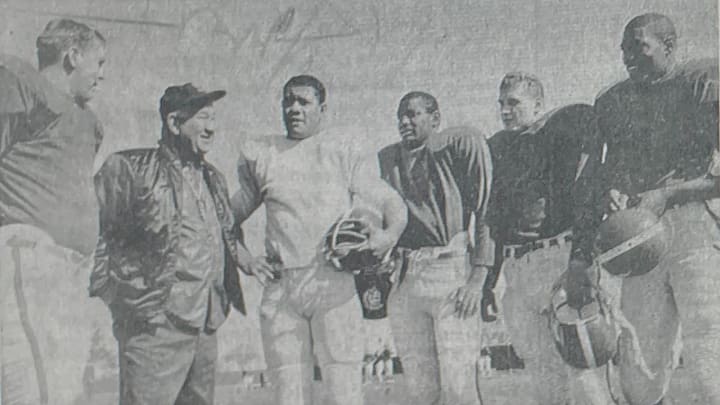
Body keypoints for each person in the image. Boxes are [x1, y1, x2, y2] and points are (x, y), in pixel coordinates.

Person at [565, 13, 720, 405]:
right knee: (638, 375)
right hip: (635, 238)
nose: (628, 55)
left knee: (710, 364)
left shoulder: (702, 81)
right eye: (623, 48)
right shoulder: (612, 101)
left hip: (695, 227)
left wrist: (670, 194)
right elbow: (593, 183)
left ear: (670, 47)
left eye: (639, 45)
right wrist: (580, 257)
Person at [231, 74, 407, 405]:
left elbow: (390, 202)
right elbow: (225, 220)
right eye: (288, 101)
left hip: (333, 282)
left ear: (322, 108)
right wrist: (246, 260)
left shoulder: (341, 148)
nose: (294, 108)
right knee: (289, 396)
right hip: (283, 286)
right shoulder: (264, 154)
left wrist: (389, 235)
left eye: (303, 101)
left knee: (344, 393)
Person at [90, 83, 246, 405]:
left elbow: (227, 234)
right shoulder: (131, 168)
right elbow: (94, 231)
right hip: (154, 324)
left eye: (214, 118)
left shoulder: (214, 178)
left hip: (206, 323)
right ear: (174, 123)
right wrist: (122, 300)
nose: (212, 127)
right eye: (203, 117)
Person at [482, 72, 617, 404]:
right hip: (516, 269)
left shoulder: (561, 132)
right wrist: (487, 280)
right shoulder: (497, 147)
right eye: (501, 103)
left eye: (514, 102)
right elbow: (493, 219)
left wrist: (581, 259)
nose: (505, 110)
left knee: (583, 371)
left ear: (539, 104)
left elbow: (586, 190)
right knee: (543, 379)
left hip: (557, 256)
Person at [0, 18, 107, 404]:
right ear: (72, 56)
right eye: (98, 63)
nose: (101, 76)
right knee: (31, 388)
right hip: (29, 255)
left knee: (62, 393)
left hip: (71, 269)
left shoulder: (87, 120)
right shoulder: (21, 81)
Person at [376, 91, 492, 405]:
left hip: (449, 268)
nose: (404, 121)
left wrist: (478, 278)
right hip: (406, 274)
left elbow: (486, 210)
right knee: (419, 390)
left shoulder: (458, 143)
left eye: (413, 114)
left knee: (458, 387)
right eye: (401, 115)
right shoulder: (387, 160)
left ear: (435, 118)